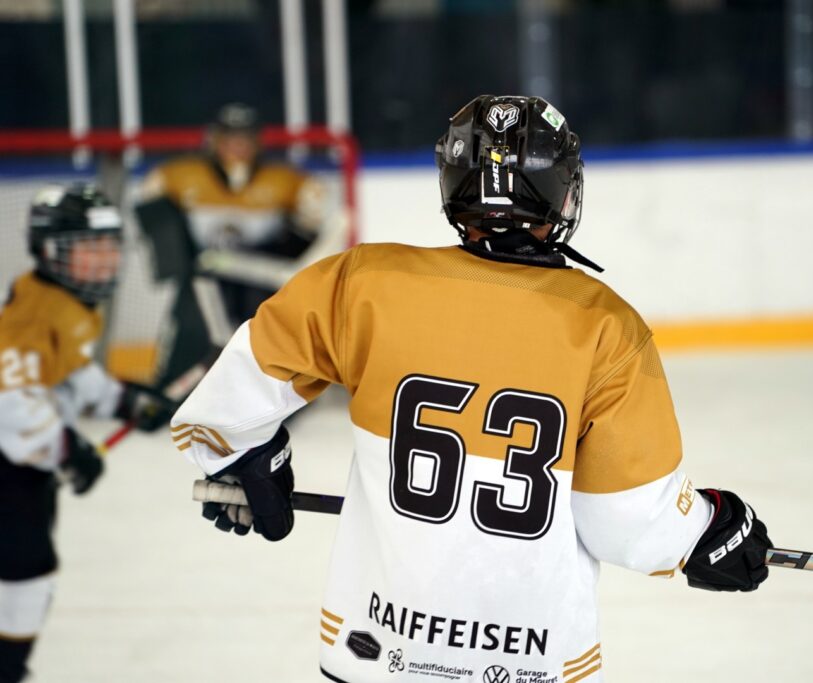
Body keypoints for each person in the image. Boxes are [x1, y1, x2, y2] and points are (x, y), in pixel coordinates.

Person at [172, 95, 771, 683]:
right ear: (564, 191)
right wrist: (710, 530)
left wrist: (245, 459)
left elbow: (232, 401)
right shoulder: (607, 329)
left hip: (375, 650)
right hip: (528, 663)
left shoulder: (366, 282)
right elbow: (628, 522)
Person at [0, 184, 174, 683]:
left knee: (29, 569)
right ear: (50, 250)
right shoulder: (34, 313)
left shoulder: (67, 301)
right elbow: (10, 400)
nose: (104, 260)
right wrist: (66, 448)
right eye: (89, 247)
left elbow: (68, 372)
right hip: (10, 468)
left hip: (25, 467)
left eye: (109, 247)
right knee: (28, 571)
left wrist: (123, 400)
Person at [137, 102, 338, 328]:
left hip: (258, 284)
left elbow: (313, 229)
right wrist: (178, 258)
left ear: (257, 141)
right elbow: (151, 214)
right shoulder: (179, 176)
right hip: (203, 280)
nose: (238, 146)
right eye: (230, 138)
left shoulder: (287, 181)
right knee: (193, 332)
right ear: (214, 140)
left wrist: (285, 261)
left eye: (245, 138)